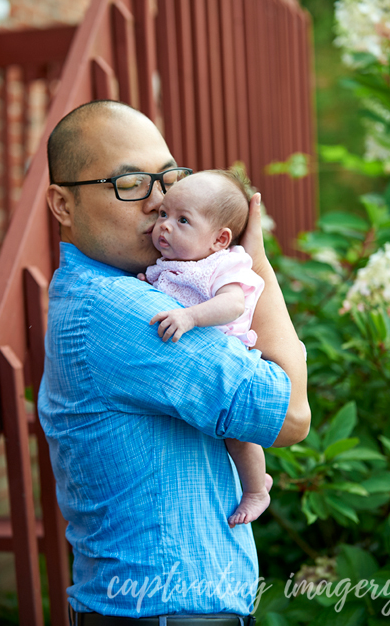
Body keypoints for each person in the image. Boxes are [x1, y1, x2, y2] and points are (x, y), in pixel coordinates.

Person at [39, 99, 309, 625]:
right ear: (63, 206)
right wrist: (253, 265)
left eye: (167, 179)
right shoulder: (124, 311)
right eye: (130, 184)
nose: (158, 202)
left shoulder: (137, 291)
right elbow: (290, 414)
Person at [141, 169, 272, 529]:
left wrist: (190, 317)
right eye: (164, 214)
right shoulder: (168, 266)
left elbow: (232, 305)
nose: (165, 226)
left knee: (237, 435)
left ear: (219, 239)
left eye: (183, 220)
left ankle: (257, 489)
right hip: (196, 365)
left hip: (231, 356)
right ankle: (254, 476)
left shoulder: (222, 264)